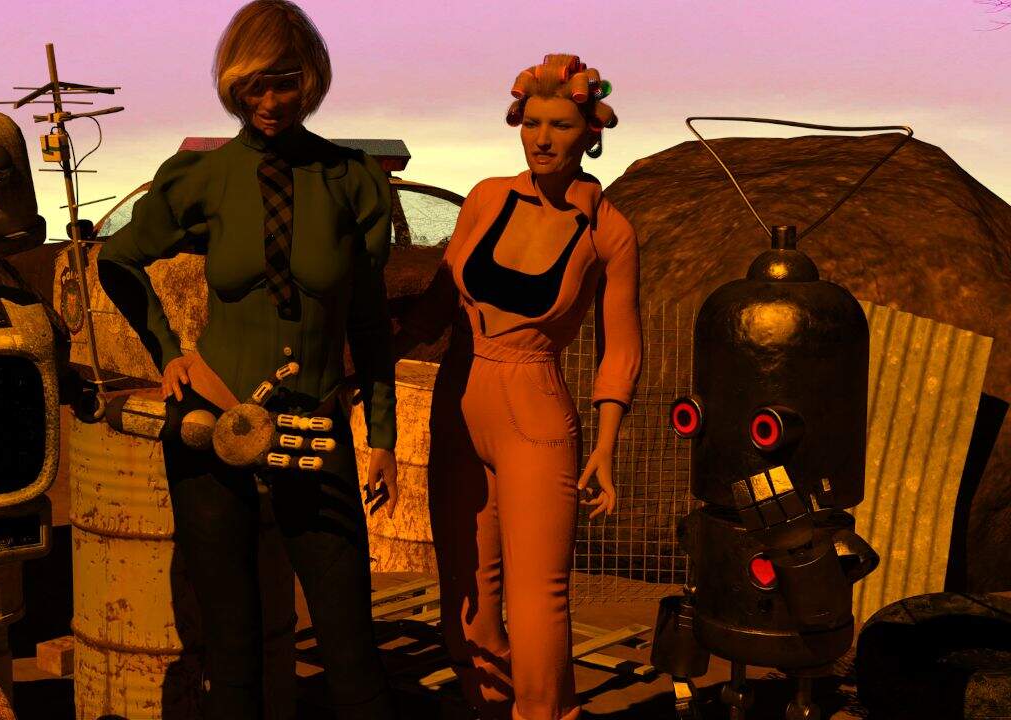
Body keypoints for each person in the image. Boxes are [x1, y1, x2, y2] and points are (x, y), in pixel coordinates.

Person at [96, 2, 399, 717]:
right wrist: (167, 353)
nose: (269, 101)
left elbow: (368, 322)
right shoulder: (200, 177)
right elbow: (119, 259)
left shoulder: (353, 180)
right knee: (231, 649)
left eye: (284, 81)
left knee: (351, 647)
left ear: (311, 80)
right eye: (253, 84)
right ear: (233, 85)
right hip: (211, 422)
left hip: (314, 424)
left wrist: (381, 436)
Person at [395, 54, 641, 720]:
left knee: (538, 600)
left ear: (590, 133)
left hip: (535, 411)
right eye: (532, 123)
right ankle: (487, 706)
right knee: (467, 594)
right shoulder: (485, 197)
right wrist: (373, 359)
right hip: (458, 401)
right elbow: (436, 304)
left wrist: (607, 445)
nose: (542, 139)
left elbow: (622, 345)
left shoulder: (610, 232)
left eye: (560, 125)